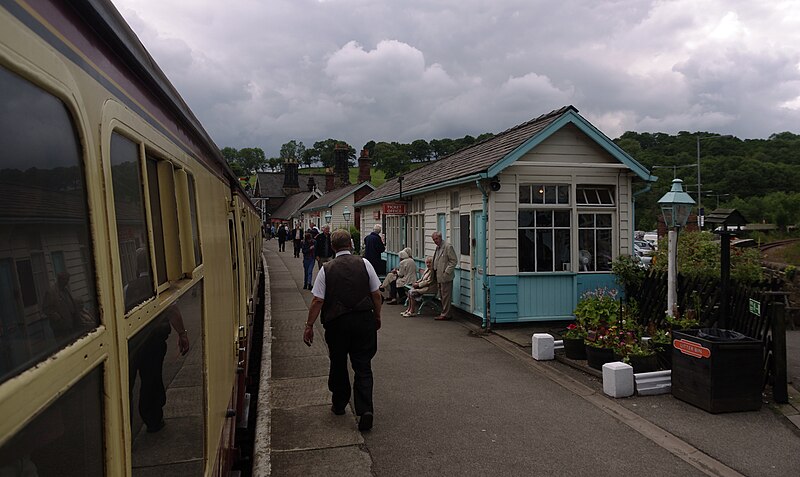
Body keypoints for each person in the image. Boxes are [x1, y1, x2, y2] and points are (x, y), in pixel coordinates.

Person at [303, 229, 382, 431]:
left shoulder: (326, 269)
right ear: (351, 245)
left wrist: (309, 325)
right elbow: (376, 294)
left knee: (338, 363)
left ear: (333, 246)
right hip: (364, 320)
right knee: (363, 365)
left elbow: (318, 300)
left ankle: (339, 404)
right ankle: (365, 410)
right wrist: (377, 316)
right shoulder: (364, 264)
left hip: (337, 323)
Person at [432, 231, 458, 321]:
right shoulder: (437, 248)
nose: (435, 241)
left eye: (436, 239)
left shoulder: (447, 247)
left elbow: (453, 261)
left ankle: (445, 314)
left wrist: (446, 272)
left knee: (446, 296)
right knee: (442, 296)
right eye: (434, 239)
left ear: (440, 237)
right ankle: (445, 313)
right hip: (438, 276)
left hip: (445, 276)